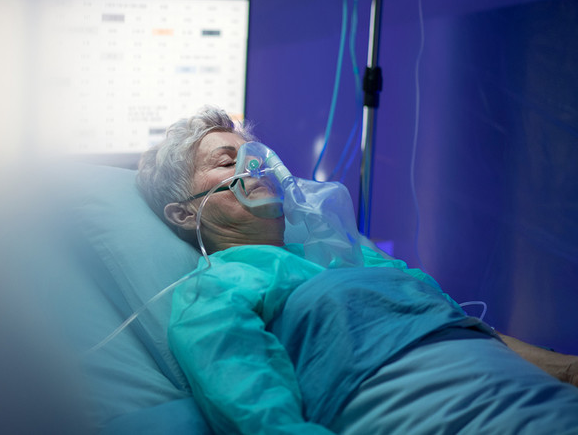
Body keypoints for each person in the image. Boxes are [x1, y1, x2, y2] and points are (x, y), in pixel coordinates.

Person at [136, 106, 578, 434]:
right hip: (428, 410)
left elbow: (455, 324)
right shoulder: (216, 288)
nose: (255, 167)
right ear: (183, 213)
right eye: (226, 161)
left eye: (256, 155)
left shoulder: (354, 257)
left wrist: (566, 369)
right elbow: (257, 414)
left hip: (528, 392)